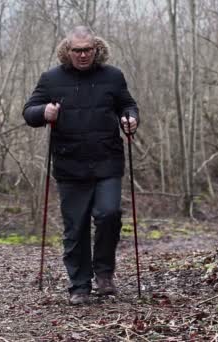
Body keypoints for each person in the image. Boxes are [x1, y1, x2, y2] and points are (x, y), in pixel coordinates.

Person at [23, 26, 139, 305]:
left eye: (88, 49)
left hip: (107, 160)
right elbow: (29, 112)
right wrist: (44, 112)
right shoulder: (51, 79)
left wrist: (130, 118)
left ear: (96, 49)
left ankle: (104, 274)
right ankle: (79, 285)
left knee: (109, 215)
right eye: (77, 50)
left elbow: (128, 105)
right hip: (70, 163)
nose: (83, 55)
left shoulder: (113, 76)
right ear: (68, 50)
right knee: (75, 227)